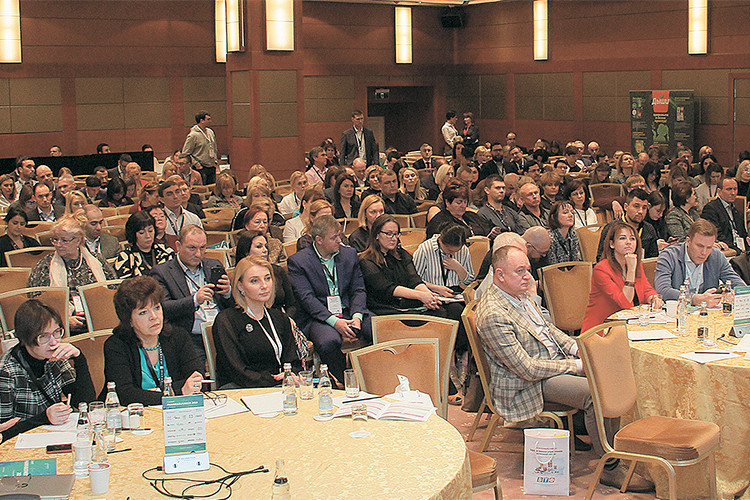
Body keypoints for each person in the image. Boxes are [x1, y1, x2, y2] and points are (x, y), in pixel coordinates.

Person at [476, 245, 653, 491]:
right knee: (596, 392)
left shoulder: (518, 295)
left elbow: (549, 330)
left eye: (528, 269)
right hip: (525, 384)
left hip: (549, 364)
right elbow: (526, 369)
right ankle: (610, 467)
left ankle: (599, 434)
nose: (528, 277)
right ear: (500, 275)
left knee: (609, 375)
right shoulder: (493, 314)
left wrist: (576, 348)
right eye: (520, 271)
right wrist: (577, 365)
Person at [288, 216, 372, 381]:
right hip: (318, 317)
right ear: (319, 240)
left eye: (339, 235)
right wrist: (335, 322)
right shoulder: (299, 262)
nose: (339, 240)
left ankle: (374, 378)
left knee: (379, 328)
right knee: (328, 341)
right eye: (334, 237)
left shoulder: (349, 254)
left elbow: (358, 289)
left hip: (349, 310)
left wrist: (357, 316)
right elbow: (307, 299)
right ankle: (345, 381)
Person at [0, 299, 96, 442]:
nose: (53, 342)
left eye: (56, 332)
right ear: (26, 338)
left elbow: (84, 403)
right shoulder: (7, 371)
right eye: (43, 336)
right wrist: (44, 417)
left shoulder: (56, 357)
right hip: (22, 444)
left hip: (54, 437)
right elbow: (3, 432)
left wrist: (79, 358)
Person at [104, 276, 204, 405]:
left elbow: (196, 377)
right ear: (129, 320)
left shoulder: (178, 336)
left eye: (156, 308)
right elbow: (125, 394)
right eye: (143, 312)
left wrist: (151, 394)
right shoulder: (116, 346)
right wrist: (177, 392)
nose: (154, 317)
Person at [213, 256, 302, 389]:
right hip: (243, 388)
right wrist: (274, 380)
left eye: (267, 278)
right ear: (240, 286)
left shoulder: (279, 318)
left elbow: (293, 360)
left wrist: (291, 375)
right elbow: (236, 371)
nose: (264, 286)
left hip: (280, 386)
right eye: (254, 281)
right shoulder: (226, 321)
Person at [149, 225, 233, 365]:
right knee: (197, 372)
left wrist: (227, 293)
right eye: (192, 248)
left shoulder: (214, 264)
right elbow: (163, 308)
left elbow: (232, 305)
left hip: (221, 332)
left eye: (202, 248)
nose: (198, 254)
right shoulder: (162, 272)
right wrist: (194, 300)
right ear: (178, 246)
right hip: (190, 336)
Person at [28, 214, 117, 333]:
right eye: (55, 239)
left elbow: (113, 290)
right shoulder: (45, 266)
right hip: (62, 328)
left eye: (64, 240)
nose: (58, 244)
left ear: (78, 240)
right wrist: (63, 319)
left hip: (101, 320)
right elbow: (36, 304)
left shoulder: (96, 260)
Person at [581, 221, 662, 332]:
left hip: (628, 326)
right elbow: (625, 302)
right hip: (601, 330)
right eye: (622, 238)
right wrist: (631, 270)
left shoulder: (636, 264)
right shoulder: (601, 269)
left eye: (632, 239)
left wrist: (653, 298)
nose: (628, 242)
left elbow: (646, 289)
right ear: (612, 244)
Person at [360, 215, 447, 316]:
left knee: (449, 309)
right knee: (438, 314)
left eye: (396, 234)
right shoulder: (366, 261)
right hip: (384, 307)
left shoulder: (401, 254)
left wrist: (428, 295)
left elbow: (414, 280)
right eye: (388, 234)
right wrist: (420, 295)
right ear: (376, 235)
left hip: (404, 302)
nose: (393, 238)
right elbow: (387, 288)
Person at [412, 224, 474, 353]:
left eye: (456, 251)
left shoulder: (463, 250)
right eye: (449, 250)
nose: (452, 253)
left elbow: (469, 281)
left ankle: (461, 354)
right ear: (440, 240)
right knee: (446, 314)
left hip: (454, 293)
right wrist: (436, 288)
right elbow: (413, 280)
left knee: (462, 313)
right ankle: (447, 355)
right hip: (430, 293)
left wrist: (459, 268)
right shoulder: (425, 249)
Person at [654, 219, 745, 304]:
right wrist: (695, 299)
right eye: (700, 246)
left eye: (709, 247)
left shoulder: (716, 256)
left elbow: (738, 284)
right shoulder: (669, 256)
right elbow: (663, 290)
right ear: (688, 241)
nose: (704, 252)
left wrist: (737, 294)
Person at [235, 229, 297, 320]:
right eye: (259, 247)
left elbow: (292, 303)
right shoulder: (238, 275)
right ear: (246, 251)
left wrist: (287, 319)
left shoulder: (278, 271)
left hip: (281, 318)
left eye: (266, 246)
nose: (265, 250)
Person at [596, 189, 658, 261]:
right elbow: (601, 257)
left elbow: (653, 259)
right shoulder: (611, 228)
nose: (640, 211)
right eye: (636, 206)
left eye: (644, 207)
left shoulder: (649, 229)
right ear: (626, 207)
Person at [114, 212, 175, 278]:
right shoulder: (125, 258)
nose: (148, 236)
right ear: (133, 234)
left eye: (150, 231)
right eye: (142, 233)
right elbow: (124, 283)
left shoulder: (166, 252)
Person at [701, 176, 748, 255]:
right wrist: (737, 250)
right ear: (719, 191)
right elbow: (717, 235)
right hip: (726, 249)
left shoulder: (736, 210)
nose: (733, 193)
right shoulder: (711, 209)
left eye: (735, 189)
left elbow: (743, 234)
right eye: (729, 189)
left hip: (740, 249)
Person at [182, 110, 218, 185]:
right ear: (201, 120)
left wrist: (215, 161)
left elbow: (214, 147)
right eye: (208, 119)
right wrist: (197, 165)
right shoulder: (193, 135)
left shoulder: (210, 132)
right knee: (202, 188)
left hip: (211, 166)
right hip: (201, 167)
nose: (210, 121)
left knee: (212, 187)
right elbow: (186, 153)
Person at [544, 201, 581, 265]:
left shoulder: (573, 235)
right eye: (565, 212)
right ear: (554, 217)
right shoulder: (550, 238)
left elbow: (575, 261)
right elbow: (553, 265)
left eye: (572, 212)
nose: (571, 215)